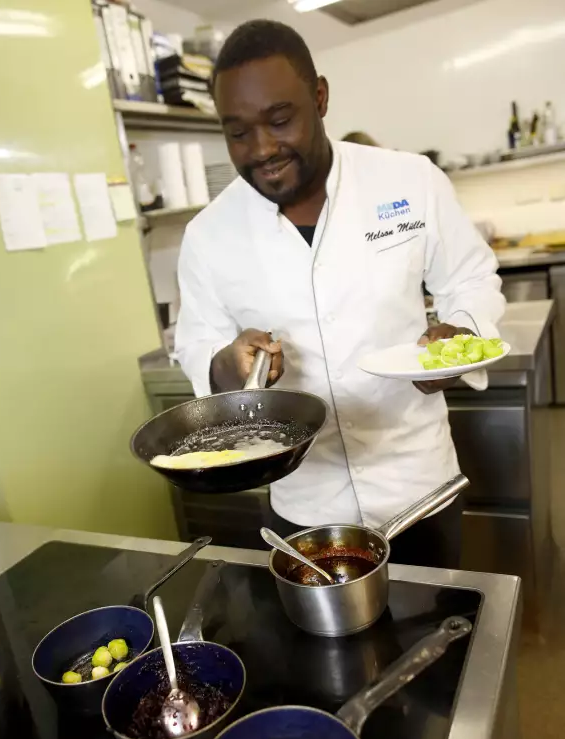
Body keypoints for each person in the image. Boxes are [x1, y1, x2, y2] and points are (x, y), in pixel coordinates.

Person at [174, 20, 505, 569]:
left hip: (419, 484)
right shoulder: (209, 234)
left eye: (279, 120)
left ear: (320, 97)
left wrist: (461, 337)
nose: (261, 149)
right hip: (307, 508)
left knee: (446, 638)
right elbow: (197, 342)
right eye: (237, 133)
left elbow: (470, 277)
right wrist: (227, 368)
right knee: (329, 649)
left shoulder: (408, 182)